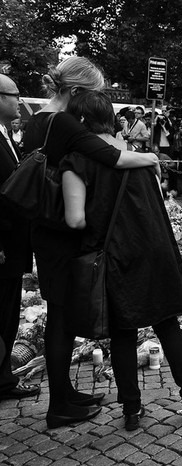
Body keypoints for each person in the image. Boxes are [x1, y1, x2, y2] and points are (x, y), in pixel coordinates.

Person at [21, 56, 160, 429]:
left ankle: (65, 393)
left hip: (44, 228)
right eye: (95, 92)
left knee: (60, 315)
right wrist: (149, 157)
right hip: (62, 233)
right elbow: (111, 156)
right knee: (61, 319)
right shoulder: (63, 122)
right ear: (78, 91)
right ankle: (59, 404)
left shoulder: (36, 121)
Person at [62, 90, 182, 431]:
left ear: (80, 121)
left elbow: (75, 220)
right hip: (154, 250)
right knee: (167, 323)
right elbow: (156, 201)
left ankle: (131, 409)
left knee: (124, 333)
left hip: (116, 256)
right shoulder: (139, 157)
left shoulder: (76, 162)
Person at [0, 74, 38, 403]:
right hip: (2, 245)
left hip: (12, 243)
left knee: (8, 313)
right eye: (14, 96)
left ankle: (3, 378)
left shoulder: (6, 134)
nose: (18, 102)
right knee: (2, 313)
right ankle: (1, 381)